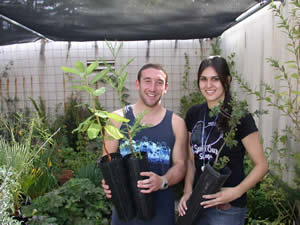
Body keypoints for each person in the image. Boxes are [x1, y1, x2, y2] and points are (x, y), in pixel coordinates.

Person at [177, 56, 268, 225]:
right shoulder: (194, 114)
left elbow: (262, 165)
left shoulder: (240, 117)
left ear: (227, 80)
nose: (208, 85)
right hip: (197, 205)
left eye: (215, 79)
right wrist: (188, 191)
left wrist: (235, 192)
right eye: (203, 79)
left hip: (226, 209)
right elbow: (191, 159)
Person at [101, 63, 188, 225]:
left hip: (161, 214)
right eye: (147, 81)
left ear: (166, 87)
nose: (153, 88)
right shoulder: (117, 119)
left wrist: (162, 180)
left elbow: (181, 165)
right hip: (125, 215)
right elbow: (108, 162)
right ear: (137, 84)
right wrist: (108, 181)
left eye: (159, 82)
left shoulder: (176, 123)